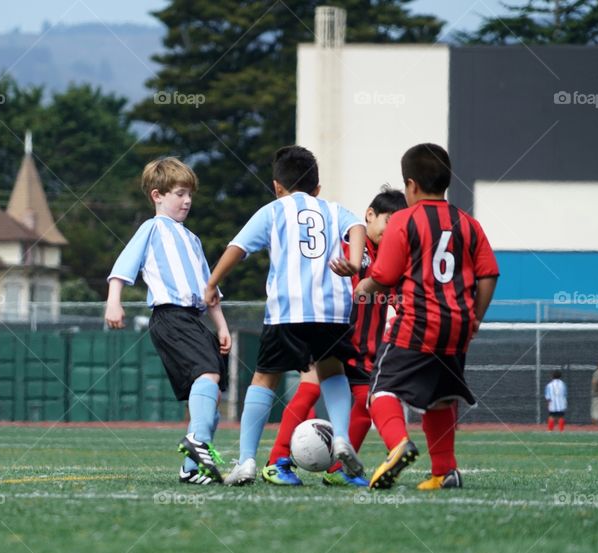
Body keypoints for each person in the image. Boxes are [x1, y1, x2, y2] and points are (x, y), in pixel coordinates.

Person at [204, 145, 366, 486]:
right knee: (333, 371)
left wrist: (212, 283)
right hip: (333, 310)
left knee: (265, 378)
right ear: (318, 188)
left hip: (287, 310)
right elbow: (358, 228)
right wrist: (354, 260)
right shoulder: (333, 210)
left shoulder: (273, 210)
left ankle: (247, 460)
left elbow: (238, 248)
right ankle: (341, 438)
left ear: (278, 186)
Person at [356, 143, 499, 491]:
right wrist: (475, 317)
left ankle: (398, 445)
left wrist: (364, 286)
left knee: (381, 390)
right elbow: (489, 274)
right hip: (457, 326)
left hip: (416, 324)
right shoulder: (468, 223)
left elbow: (386, 275)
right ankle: (445, 471)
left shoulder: (404, 220)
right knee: (441, 397)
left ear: (411, 185)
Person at [262, 186, 408, 487]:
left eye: (399, 225)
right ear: (370, 215)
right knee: (310, 388)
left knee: (368, 403)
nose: (392, 230)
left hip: (366, 349)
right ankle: (276, 460)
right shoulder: (350, 248)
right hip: (333, 337)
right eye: (388, 221)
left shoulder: (393, 257)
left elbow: (394, 297)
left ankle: (339, 468)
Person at [105, 157, 230, 484]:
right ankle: (198, 443)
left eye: (190, 194)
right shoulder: (152, 228)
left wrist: (222, 326)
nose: (186, 200)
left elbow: (209, 289)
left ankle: (192, 468)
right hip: (170, 316)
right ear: (157, 195)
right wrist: (114, 302)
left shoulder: (192, 239)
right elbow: (122, 268)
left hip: (195, 320)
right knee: (208, 374)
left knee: (210, 390)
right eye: (179, 193)